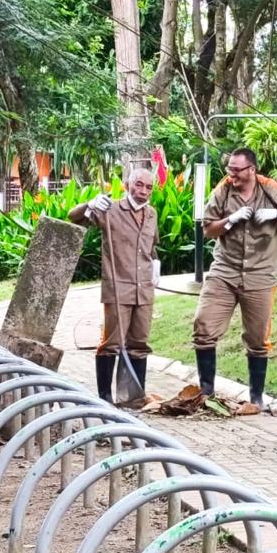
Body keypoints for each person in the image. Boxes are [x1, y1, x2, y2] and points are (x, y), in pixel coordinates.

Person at [194, 147, 277, 408]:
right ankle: (206, 391)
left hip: (260, 274)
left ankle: (256, 398)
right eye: (229, 169)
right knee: (203, 327)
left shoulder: (272, 190)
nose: (231, 174)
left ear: (252, 169)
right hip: (225, 271)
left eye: (236, 170)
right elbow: (208, 230)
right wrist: (230, 220)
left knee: (258, 340)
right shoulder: (222, 191)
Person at [69, 167, 160, 405]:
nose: (143, 191)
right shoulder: (111, 210)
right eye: (139, 184)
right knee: (112, 343)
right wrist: (90, 205)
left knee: (139, 343)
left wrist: (156, 265)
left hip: (144, 289)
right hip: (119, 286)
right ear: (128, 185)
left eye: (148, 187)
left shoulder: (151, 214)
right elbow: (73, 216)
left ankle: (132, 395)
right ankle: (105, 397)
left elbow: (152, 247)